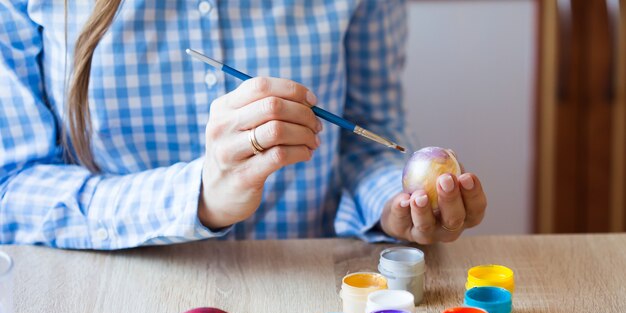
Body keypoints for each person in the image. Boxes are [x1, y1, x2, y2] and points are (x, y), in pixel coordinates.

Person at [0, 0, 486, 249]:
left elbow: (368, 134)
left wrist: (393, 202)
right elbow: (12, 189)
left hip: (310, 303)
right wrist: (199, 196)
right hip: (108, 300)